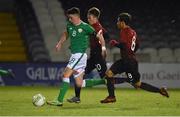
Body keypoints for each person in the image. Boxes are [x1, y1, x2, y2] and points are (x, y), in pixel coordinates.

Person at [100, 13, 169, 103]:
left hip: (127, 62)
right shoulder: (133, 32)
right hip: (130, 61)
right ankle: (159, 90)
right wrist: (131, 53)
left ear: (122, 22)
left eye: (118, 21)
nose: (117, 23)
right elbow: (137, 45)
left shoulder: (124, 31)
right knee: (133, 82)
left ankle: (112, 96)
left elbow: (125, 46)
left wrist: (115, 44)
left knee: (114, 75)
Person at [47, 7, 107, 106]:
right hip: (75, 55)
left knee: (66, 75)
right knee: (80, 82)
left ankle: (59, 100)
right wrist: (60, 43)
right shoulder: (70, 25)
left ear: (76, 16)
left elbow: (99, 36)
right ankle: (104, 81)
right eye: (68, 18)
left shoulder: (85, 27)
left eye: (71, 17)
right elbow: (66, 34)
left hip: (79, 55)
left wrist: (103, 48)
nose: (69, 20)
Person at [67, 7, 110, 103]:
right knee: (79, 74)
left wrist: (103, 48)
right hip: (92, 57)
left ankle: (113, 94)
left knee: (107, 78)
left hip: (98, 57)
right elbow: (107, 35)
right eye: (87, 17)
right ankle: (77, 97)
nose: (88, 19)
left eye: (90, 17)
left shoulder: (97, 28)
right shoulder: (95, 27)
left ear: (95, 18)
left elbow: (104, 36)